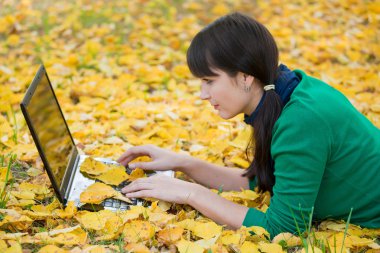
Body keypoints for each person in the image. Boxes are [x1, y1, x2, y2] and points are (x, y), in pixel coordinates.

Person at [118, 12, 380, 237]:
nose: (202, 94)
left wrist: (190, 194)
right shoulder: (281, 94)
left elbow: (283, 230)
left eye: (209, 80)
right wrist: (182, 163)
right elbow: (260, 183)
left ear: (245, 77)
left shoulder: (302, 119)